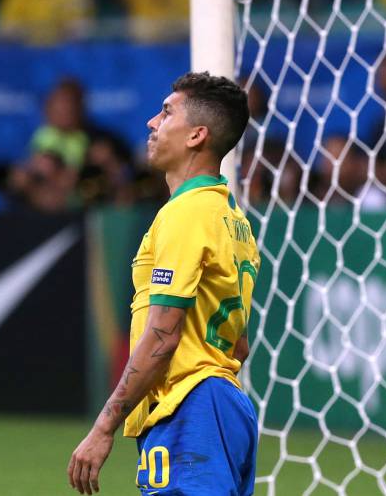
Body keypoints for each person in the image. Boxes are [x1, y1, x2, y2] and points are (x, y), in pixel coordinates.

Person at [68, 72, 261, 495]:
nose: (152, 123)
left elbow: (162, 337)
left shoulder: (185, 214)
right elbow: (239, 346)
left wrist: (103, 427)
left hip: (191, 407)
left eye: (166, 112)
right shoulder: (234, 222)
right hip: (226, 407)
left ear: (196, 136)